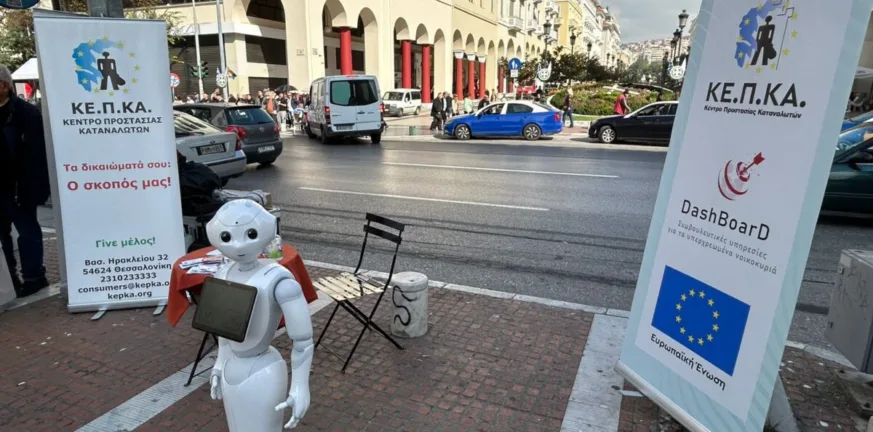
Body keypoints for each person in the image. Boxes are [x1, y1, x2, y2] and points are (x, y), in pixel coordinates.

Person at [0, 65, 50, 297]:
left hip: (20, 186)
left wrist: (34, 187)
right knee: (3, 236)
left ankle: (34, 277)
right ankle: (10, 279)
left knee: (27, 232)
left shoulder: (26, 113)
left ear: (4, 85)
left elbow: (37, 154)